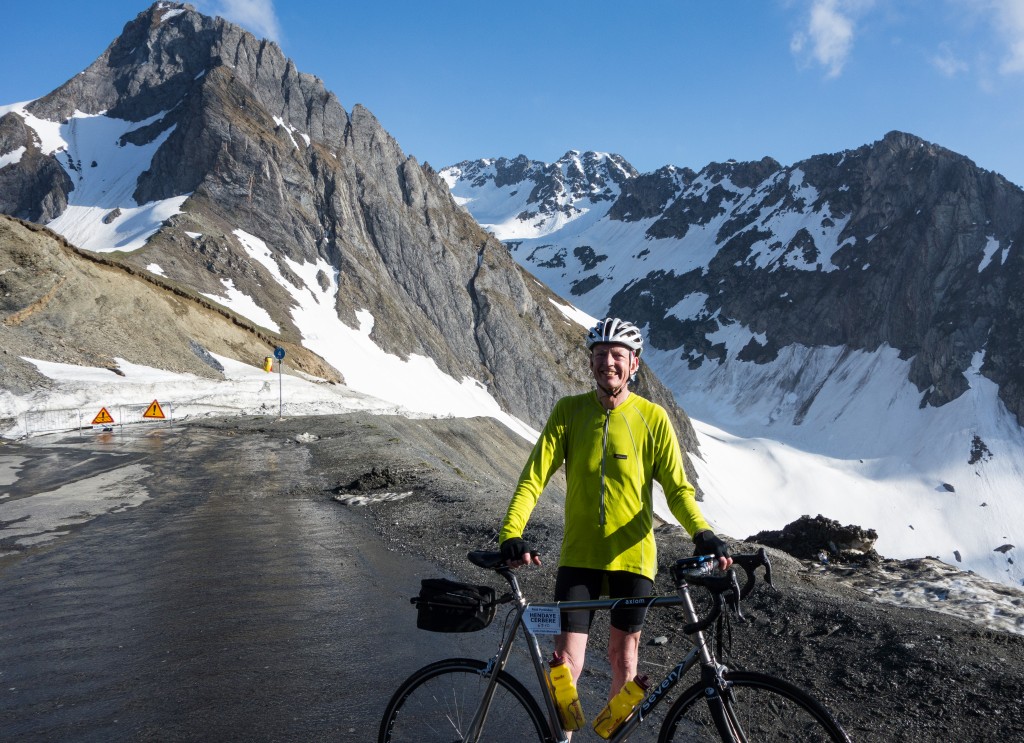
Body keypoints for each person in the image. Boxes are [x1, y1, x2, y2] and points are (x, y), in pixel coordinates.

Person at [498, 317, 732, 726]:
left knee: (624, 659)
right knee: (566, 663)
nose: (608, 363)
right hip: (580, 556)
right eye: (600, 354)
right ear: (590, 362)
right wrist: (511, 532)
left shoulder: (652, 418)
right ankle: (563, 739)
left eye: (617, 356)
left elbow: (678, 490)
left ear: (634, 364)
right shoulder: (568, 412)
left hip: (634, 559)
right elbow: (533, 478)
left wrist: (703, 533)